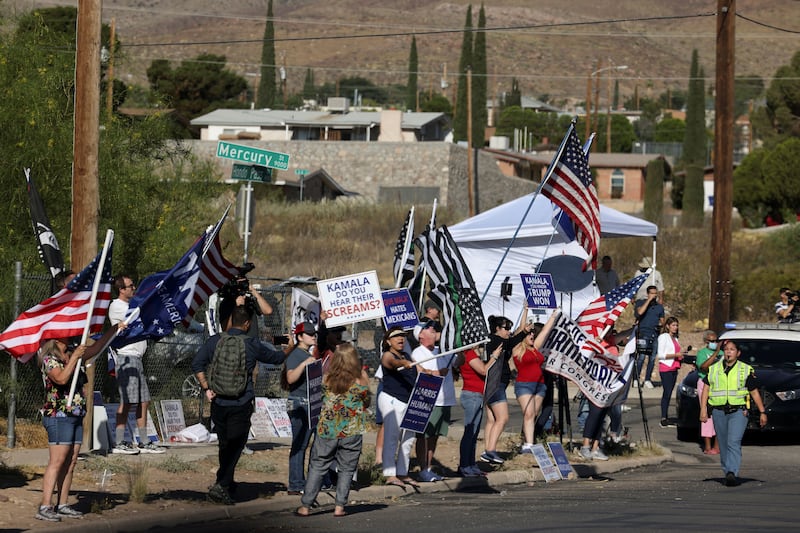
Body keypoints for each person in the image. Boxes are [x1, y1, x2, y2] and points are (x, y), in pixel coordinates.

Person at [191, 306, 288, 505]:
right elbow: (277, 358)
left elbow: (197, 364)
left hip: (218, 402)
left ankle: (225, 482)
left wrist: (206, 388)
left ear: (231, 321)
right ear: (247, 324)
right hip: (241, 402)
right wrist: (291, 346)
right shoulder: (251, 344)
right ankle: (222, 485)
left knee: (225, 444)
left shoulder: (215, 341)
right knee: (236, 445)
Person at [35, 327, 121, 522]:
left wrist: (114, 330)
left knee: (71, 460)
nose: (72, 332)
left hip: (76, 414)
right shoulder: (49, 358)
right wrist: (74, 358)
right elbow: (61, 378)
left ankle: (63, 503)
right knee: (57, 461)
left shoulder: (74, 351)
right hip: (58, 415)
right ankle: (45, 505)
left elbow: (97, 347)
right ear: (56, 338)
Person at [296, 343, 370, 518]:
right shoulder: (361, 379)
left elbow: (317, 396)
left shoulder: (326, 378)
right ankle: (339, 507)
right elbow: (366, 402)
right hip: (351, 430)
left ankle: (306, 506)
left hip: (328, 429)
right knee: (346, 469)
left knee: (318, 466)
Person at [699, 339, 768, 487]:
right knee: (723, 444)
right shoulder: (715, 369)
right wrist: (703, 409)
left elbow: (754, 392)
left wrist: (762, 412)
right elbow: (706, 388)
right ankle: (727, 470)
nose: (729, 352)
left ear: (738, 353)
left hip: (739, 411)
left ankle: (732, 472)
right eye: (727, 349)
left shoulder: (744, 369)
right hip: (718, 411)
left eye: (732, 349)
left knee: (733, 442)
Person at [108, 274, 163, 455]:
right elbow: (133, 323)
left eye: (133, 285)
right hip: (126, 358)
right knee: (128, 401)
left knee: (143, 401)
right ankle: (119, 440)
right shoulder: (118, 306)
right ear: (121, 290)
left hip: (137, 358)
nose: (133, 288)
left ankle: (143, 440)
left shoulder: (134, 305)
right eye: (130, 286)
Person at [482, 314, 532, 464]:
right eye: (506, 328)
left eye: (510, 328)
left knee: (492, 420)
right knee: (503, 418)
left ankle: (487, 451)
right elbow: (514, 340)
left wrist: (524, 313)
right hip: (496, 383)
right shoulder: (497, 340)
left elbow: (513, 339)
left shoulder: (493, 340)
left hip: (493, 383)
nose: (509, 331)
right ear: (497, 329)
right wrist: (524, 332)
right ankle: (490, 451)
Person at [411, 319, 454, 482]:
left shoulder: (441, 350)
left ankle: (428, 467)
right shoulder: (418, 352)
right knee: (424, 436)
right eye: (429, 329)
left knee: (435, 436)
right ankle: (423, 468)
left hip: (445, 400)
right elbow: (419, 372)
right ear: (421, 335)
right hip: (429, 400)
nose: (434, 330)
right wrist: (436, 373)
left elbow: (459, 361)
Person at [378, 326, 421, 487]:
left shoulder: (407, 355)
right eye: (396, 337)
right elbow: (392, 363)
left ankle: (402, 473)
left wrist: (429, 373)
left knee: (409, 438)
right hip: (391, 399)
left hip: (408, 400)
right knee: (392, 437)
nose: (401, 339)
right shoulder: (388, 355)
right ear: (388, 341)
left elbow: (419, 368)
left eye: (402, 336)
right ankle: (390, 474)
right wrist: (403, 363)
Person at [511, 309, 557, 454]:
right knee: (529, 414)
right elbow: (520, 330)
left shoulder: (535, 348)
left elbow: (544, 332)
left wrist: (554, 316)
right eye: (529, 334)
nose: (532, 335)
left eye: (532, 334)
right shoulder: (517, 349)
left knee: (534, 414)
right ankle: (528, 445)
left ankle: (527, 440)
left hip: (540, 385)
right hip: (525, 385)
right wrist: (524, 311)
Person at [283, 321, 320, 495]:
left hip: (309, 402)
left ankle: (303, 481)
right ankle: (296, 483)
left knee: (306, 444)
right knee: (299, 444)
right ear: (299, 337)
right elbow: (290, 378)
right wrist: (305, 364)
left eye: (314, 333)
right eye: (309, 333)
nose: (313, 336)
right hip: (298, 402)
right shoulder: (295, 354)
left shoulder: (306, 353)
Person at [457, 343, 501, 477]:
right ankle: (464, 465)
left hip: (478, 395)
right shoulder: (468, 353)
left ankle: (471, 464)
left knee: (474, 433)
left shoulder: (475, 353)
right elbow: (483, 370)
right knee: (469, 432)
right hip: (471, 395)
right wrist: (494, 357)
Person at [633, 285, 665, 388]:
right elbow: (640, 312)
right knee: (641, 357)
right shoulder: (641, 303)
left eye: (655, 293)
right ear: (648, 294)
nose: (654, 295)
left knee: (652, 358)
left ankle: (647, 379)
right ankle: (636, 379)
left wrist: (661, 324)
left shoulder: (659, 307)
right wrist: (648, 301)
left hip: (654, 334)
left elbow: (662, 320)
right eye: (651, 293)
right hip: (643, 334)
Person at [656, 317, 684, 428]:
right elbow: (661, 355)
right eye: (673, 325)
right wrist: (675, 355)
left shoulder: (675, 338)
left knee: (669, 392)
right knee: (667, 393)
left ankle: (666, 417)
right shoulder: (663, 337)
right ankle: (663, 417)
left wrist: (681, 354)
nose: (675, 328)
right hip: (666, 368)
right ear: (667, 326)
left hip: (674, 367)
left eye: (676, 325)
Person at [695, 330, 720, 454]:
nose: (715, 343)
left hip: (719, 384)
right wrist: (715, 354)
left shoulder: (722, 353)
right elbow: (703, 367)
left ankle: (717, 446)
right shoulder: (702, 353)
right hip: (705, 383)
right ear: (706, 342)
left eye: (716, 341)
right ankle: (707, 446)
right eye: (712, 341)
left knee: (718, 414)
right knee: (706, 413)